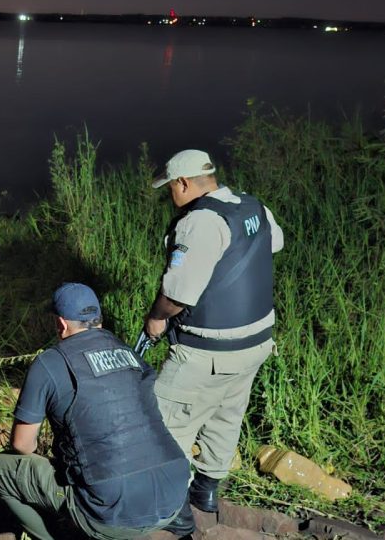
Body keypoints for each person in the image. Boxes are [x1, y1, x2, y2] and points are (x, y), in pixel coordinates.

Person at [0, 283, 194, 540]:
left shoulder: (49, 362)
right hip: (174, 497)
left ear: (61, 324)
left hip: (109, 512)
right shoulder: (128, 352)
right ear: (99, 319)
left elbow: (22, 445)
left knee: (2, 469)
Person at [144, 149, 284, 513]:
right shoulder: (252, 206)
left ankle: (170, 507)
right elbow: (275, 243)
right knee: (226, 414)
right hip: (255, 344)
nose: (171, 196)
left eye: (170, 188)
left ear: (183, 183)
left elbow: (177, 295)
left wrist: (156, 318)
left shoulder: (201, 221)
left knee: (161, 423)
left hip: (207, 352)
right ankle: (206, 492)